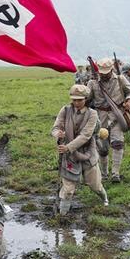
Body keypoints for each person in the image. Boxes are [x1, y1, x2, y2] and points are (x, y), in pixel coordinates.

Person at [51, 84, 108, 215]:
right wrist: (57, 133)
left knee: (95, 185)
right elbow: (55, 128)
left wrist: (68, 147)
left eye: (80, 100)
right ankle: (62, 215)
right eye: (74, 99)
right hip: (69, 156)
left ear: (86, 99)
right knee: (68, 189)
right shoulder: (65, 110)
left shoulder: (92, 114)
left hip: (88, 153)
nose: (77, 102)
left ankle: (105, 199)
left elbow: (85, 135)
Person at [87, 57, 130, 182]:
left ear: (111, 69)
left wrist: (129, 101)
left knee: (117, 143)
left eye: (106, 72)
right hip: (100, 117)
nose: (103, 75)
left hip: (117, 115)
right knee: (102, 148)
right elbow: (87, 99)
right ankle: (104, 174)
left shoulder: (120, 79)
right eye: (102, 72)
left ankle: (115, 174)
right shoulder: (93, 83)